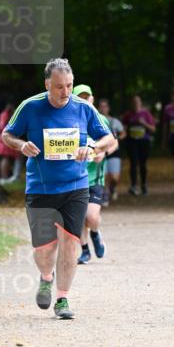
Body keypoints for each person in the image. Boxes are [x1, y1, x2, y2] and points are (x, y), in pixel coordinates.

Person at [2, 59, 115, 320]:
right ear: (47, 84)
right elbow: (7, 135)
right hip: (40, 188)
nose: (65, 92)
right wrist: (21, 146)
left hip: (75, 187)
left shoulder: (83, 108)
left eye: (69, 86)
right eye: (59, 87)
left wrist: (92, 148)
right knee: (44, 250)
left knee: (70, 244)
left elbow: (109, 138)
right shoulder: (30, 107)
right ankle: (46, 277)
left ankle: (62, 298)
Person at [74, 86, 109, 263]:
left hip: (95, 177)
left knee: (92, 217)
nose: (84, 101)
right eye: (80, 98)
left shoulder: (99, 120)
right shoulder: (70, 121)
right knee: (80, 218)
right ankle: (85, 250)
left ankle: (95, 233)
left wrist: (102, 152)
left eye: (87, 98)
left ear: (92, 99)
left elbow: (111, 142)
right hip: (75, 178)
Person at [122, 94, 157, 195]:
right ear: (131, 104)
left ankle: (144, 184)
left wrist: (143, 123)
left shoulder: (146, 114)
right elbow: (123, 127)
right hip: (132, 142)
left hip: (144, 142)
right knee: (133, 163)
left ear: (141, 103)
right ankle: (133, 185)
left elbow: (153, 129)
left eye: (137, 102)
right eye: (133, 102)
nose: (135, 104)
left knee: (143, 164)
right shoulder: (128, 115)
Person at [97, 98, 125, 203]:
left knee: (115, 177)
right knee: (104, 175)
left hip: (114, 151)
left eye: (105, 106)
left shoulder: (114, 121)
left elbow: (123, 133)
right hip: (101, 151)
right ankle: (105, 193)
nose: (103, 109)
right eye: (101, 106)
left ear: (108, 108)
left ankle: (113, 188)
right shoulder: (96, 121)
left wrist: (116, 139)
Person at [0, 101, 23, 184]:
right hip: (4, 138)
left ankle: (9, 177)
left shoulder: (7, 113)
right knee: (6, 157)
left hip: (6, 137)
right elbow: (2, 126)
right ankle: (5, 177)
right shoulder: (5, 114)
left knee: (11, 157)